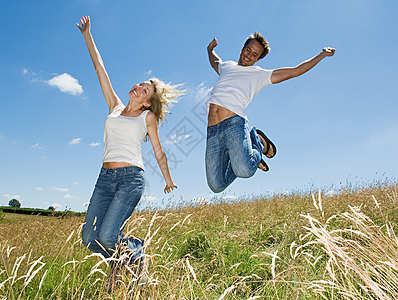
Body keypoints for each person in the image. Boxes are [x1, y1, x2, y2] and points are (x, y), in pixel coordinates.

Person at [76, 16, 182, 288]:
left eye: (144, 89)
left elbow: (158, 151)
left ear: (147, 103)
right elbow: (100, 68)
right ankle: (120, 263)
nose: (138, 86)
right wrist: (88, 34)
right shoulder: (114, 107)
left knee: (110, 236)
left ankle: (136, 251)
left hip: (130, 179)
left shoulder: (146, 119)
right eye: (139, 84)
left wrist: (168, 179)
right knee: (90, 237)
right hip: (104, 178)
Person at [206, 32, 335, 193]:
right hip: (212, 131)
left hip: (234, 124)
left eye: (254, 55)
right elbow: (214, 61)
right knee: (216, 185)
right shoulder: (227, 67)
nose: (249, 55)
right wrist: (210, 48)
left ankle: (257, 142)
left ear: (258, 59)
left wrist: (322, 54)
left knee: (244, 171)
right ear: (242, 48)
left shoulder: (259, 75)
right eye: (248, 50)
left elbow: (295, 71)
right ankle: (247, 155)